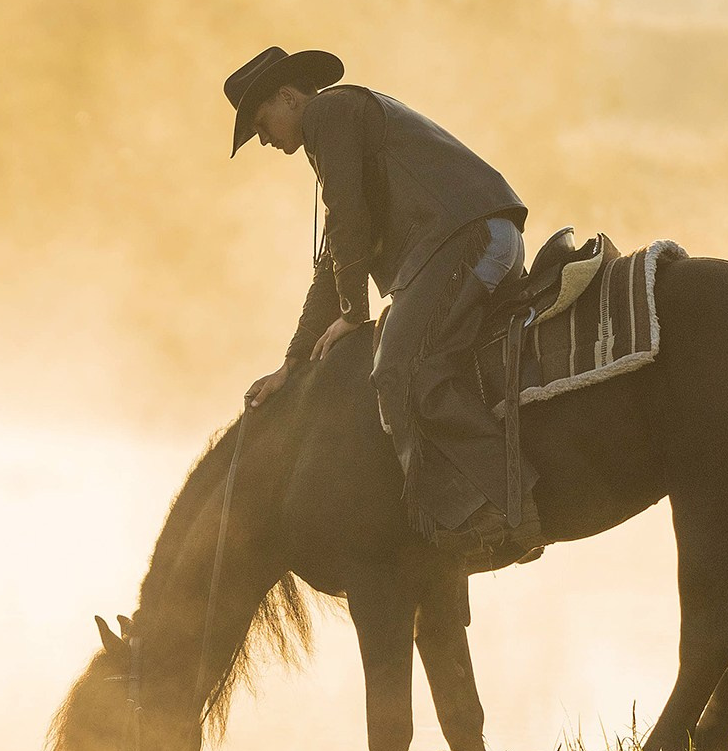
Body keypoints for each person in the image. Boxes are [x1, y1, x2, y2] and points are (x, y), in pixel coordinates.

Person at [222, 46, 537, 564]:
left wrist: (354, 313)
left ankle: (503, 509)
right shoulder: (339, 124)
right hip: (478, 236)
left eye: (261, 123)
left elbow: (347, 221)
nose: (263, 139)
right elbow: (336, 254)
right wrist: (293, 363)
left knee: (396, 369)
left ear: (288, 97)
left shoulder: (328, 114)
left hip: (462, 241)